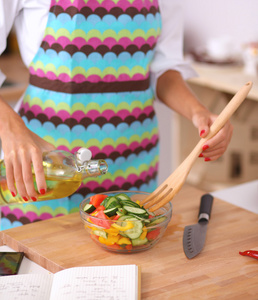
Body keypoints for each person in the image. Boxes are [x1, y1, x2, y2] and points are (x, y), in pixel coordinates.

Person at [0, 0, 233, 230]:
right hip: (45, 166)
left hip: (132, 161)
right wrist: (12, 130)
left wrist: (198, 112)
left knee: (127, 251)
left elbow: (163, 68)